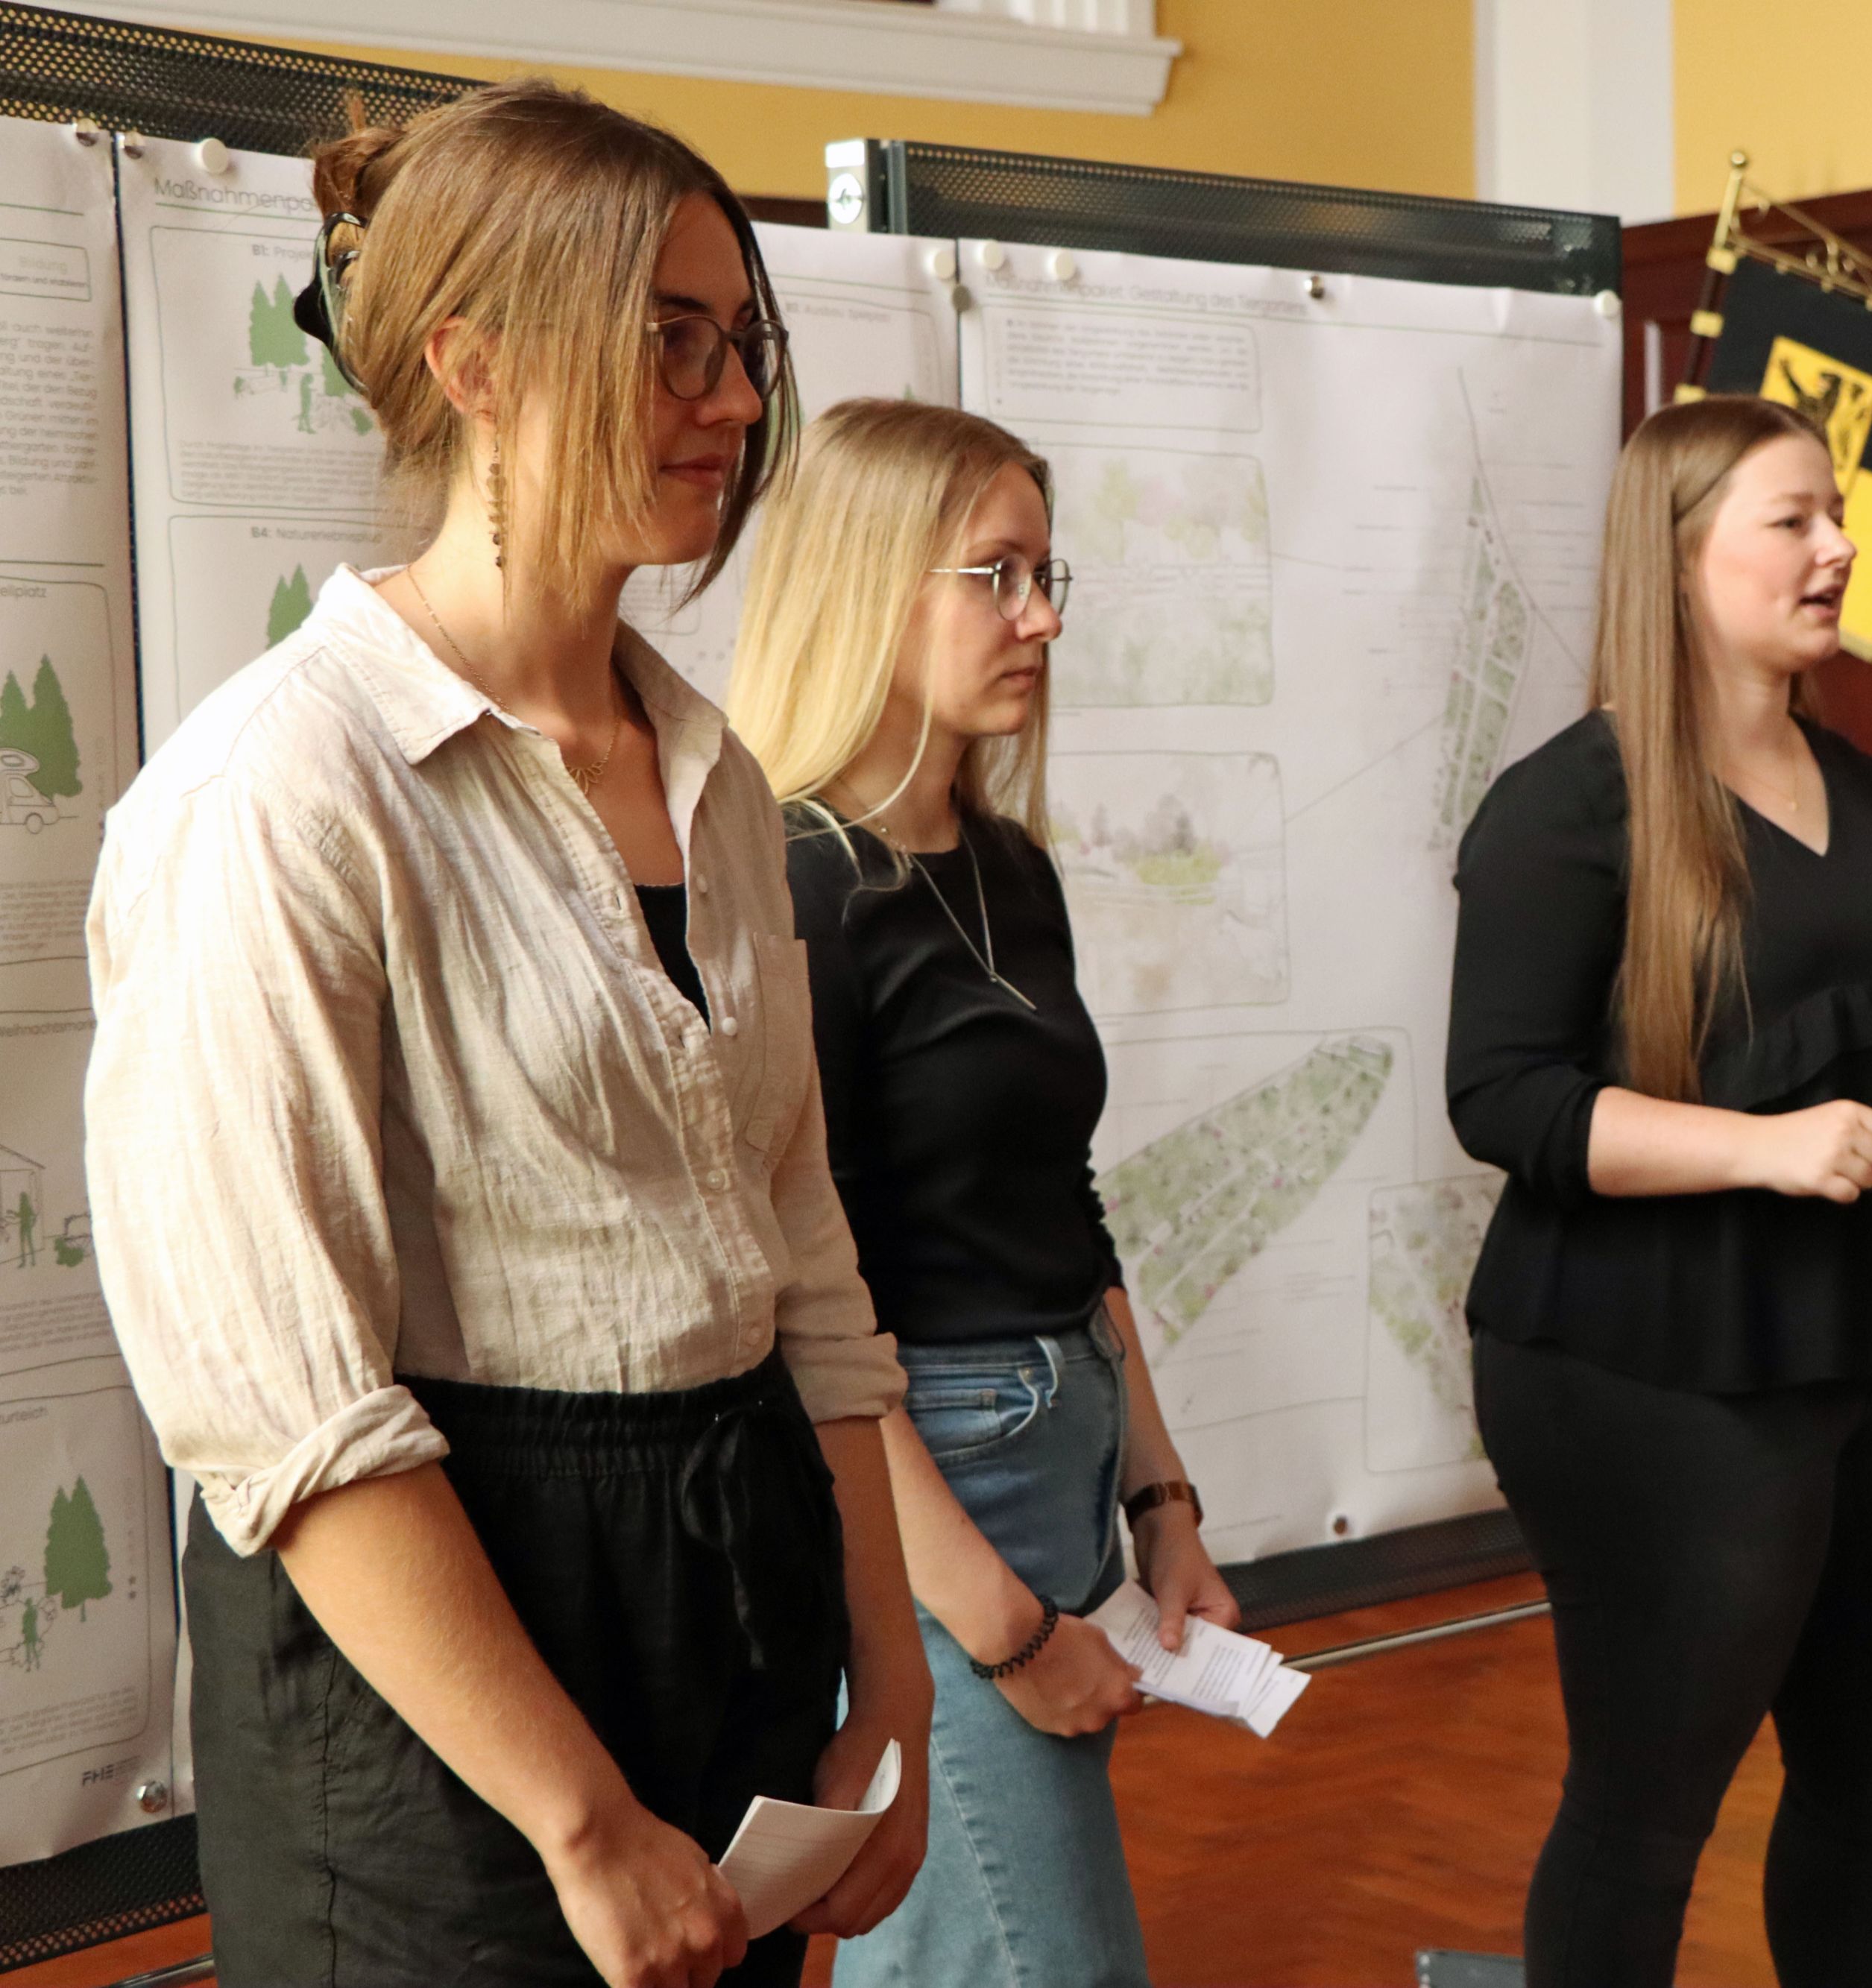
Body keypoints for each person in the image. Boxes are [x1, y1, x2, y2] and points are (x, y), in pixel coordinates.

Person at [83, 82, 930, 1988]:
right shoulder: (281, 790)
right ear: (471, 360)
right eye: (669, 343)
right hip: (440, 1684)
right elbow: (287, 1405)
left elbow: (800, 1249)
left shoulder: (709, 778)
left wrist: (890, 1676)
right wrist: (579, 1813)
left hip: (727, 1595)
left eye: (741, 345)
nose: (729, 403)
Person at [1447, 394, 1872, 1987]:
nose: (1836, 548)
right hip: (1650, 1365)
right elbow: (1502, 1096)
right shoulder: (1563, 806)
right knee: (1644, 1806)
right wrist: (1760, 1148)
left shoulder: (1847, 775)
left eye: (1836, 516)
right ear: (1678, 560)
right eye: (1793, 520)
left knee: (1871, 1792)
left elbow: (1856, 1046)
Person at [725, 397, 1238, 1988]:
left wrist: (1162, 1501)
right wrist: (995, 1621)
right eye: (995, 575)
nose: (1043, 615)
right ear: (872, 586)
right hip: (925, 1491)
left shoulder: (1010, 864)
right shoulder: (796, 882)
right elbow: (810, 1301)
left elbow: (1062, 1203)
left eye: (1045, 571)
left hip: (1057, 1463)